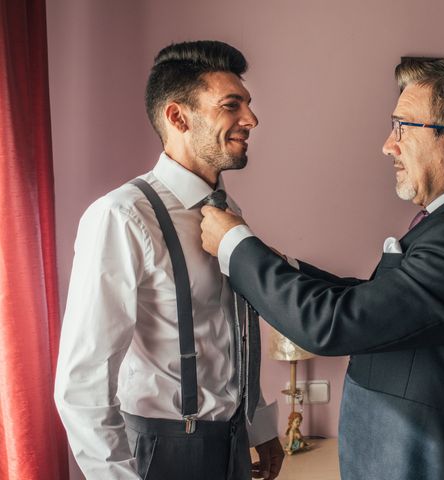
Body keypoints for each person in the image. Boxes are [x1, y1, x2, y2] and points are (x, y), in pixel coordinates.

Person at [199, 57, 444, 479]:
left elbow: (334, 324)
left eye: (403, 127)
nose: (388, 144)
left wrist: (235, 245)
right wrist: (277, 263)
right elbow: (379, 304)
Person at [54, 40, 284, 480]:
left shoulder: (227, 210)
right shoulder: (122, 216)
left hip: (233, 443)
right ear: (178, 117)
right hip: (162, 452)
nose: (250, 120)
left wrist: (259, 424)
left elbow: (228, 331)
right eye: (231, 105)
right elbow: (82, 382)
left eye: (248, 105)